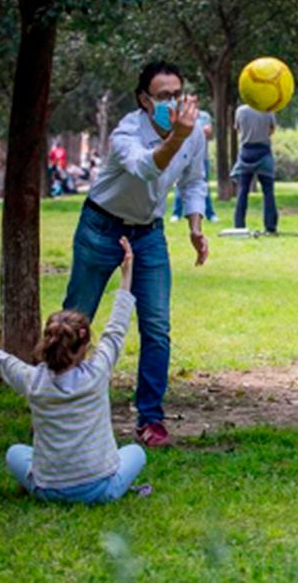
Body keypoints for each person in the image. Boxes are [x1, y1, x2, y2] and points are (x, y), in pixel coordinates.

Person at [63, 61, 210, 448]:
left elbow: (194, 181)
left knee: (157, 327)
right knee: (75, 321)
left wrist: (195, 226)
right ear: (145, 100)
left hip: (148, 234)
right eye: (163, 96)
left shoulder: (193, 132)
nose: (172, 102)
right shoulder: (126, 132)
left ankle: (150, 419)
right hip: (101, 228)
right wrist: (178, 137)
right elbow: (147, 168)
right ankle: (58, 408)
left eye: (177, 93)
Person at [0, 237, 147, 504]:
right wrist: (126, 271)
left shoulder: (32, 380)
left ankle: (45, 484)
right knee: (135, 452)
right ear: (84, 344)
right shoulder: (97, 373)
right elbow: (116, 328)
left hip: (48, 490)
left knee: (16, 452)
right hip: (102, 489)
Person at [231, 103, 278, 233]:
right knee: (268, 191)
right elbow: (272, 129)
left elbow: (238, 128)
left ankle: (239, 225)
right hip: (263, 150)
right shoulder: (268, 109)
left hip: (246, 151)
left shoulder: (240, 110)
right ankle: (270, 226)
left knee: (242, 190)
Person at [171, 110, 219, 223]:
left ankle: (209, 214)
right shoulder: (179, 115)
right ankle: (176, 213)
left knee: (202, 186)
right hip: (182, 156)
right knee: (179, 185)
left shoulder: (204, 115)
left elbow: (209, 133)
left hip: (202, 157)